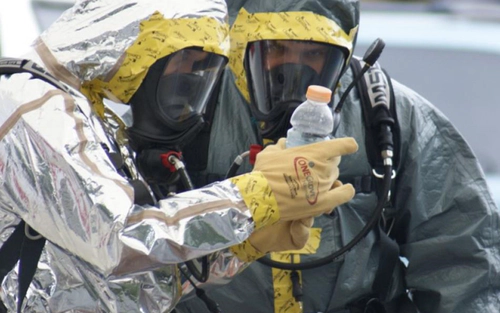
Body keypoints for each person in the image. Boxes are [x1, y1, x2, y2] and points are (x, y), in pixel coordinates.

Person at [0, 0, 360, 312]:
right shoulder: (31, 105)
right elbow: (119, 239)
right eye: (186, 57)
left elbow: (128, 287)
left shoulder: (84, 111)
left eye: (201, 66)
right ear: (138, 40)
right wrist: (254, 197)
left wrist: (242, 245)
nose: (189, 77)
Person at [174, 0, 500, 312]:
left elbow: (462, 262)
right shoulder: (188, 112)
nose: (293, 69)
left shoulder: (388, 115)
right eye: (276, 49)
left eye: (314, 52)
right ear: (241, 44)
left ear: (340, 53)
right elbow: (138, 248)